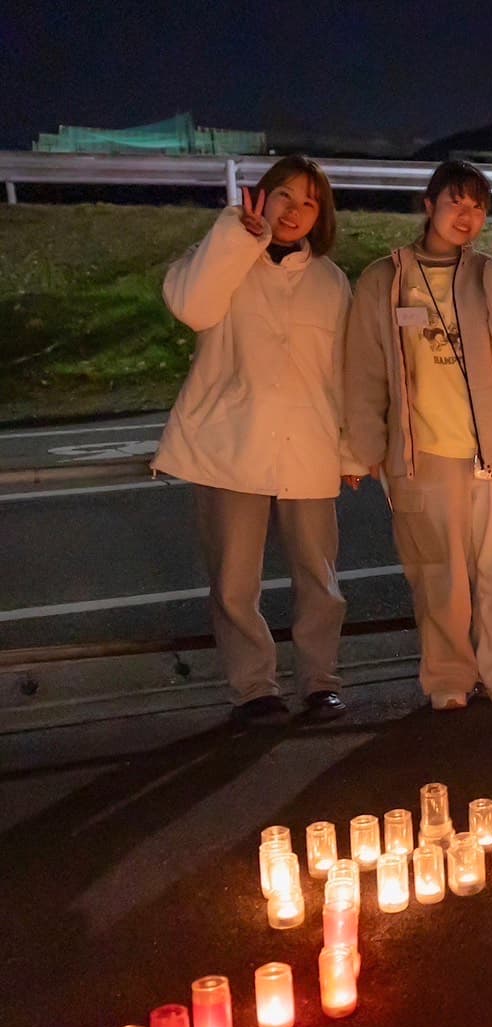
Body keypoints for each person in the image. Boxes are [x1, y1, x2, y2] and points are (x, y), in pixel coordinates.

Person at [344, 160, 492, 710]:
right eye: (456, 202)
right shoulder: (383, 279)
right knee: (439, 579)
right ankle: (449, 678)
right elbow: (363, 373)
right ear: (429, 206)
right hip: (426, 452)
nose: (468, 215)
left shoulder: (490, 273)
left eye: (479, 206)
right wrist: (359, 451)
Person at [156, 155, 359, 727]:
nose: (295, 211)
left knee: (319, 578)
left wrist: (350, 449)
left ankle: (321, 682)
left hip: (310, 443)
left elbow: (343, 371)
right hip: (230, 445)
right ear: (260, 197)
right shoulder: (221, 256)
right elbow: (192, 308)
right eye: (285, 196)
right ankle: (253, 689)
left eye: (310, 202)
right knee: (234, 580)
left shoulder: (331, 281)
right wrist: (232, 239)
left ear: (321, 216)